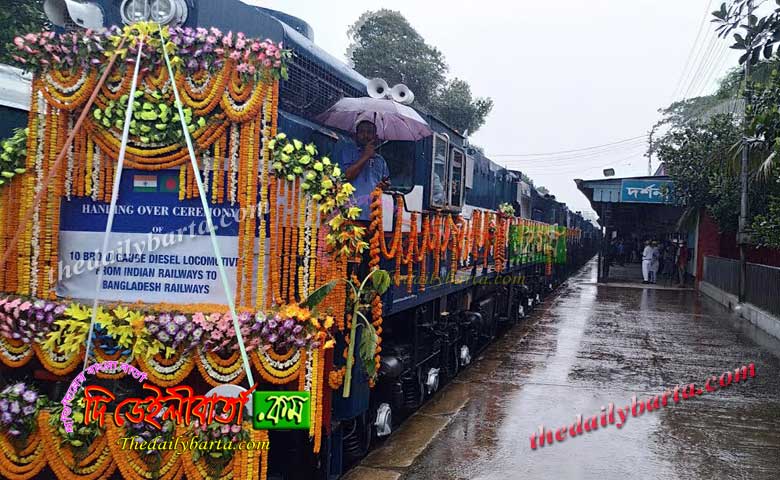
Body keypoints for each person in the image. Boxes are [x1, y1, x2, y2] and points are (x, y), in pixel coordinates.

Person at [334, 118, 390, 222]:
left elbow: (386, 182)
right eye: (362, 132)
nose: (366, 136)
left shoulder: (380, 160)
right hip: (349, 214)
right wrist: (366, 156)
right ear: (356, 136)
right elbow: (346, 176)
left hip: (372, 215)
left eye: (369, 132)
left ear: (376, 137)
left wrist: (385, 185)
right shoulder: (347, 153)